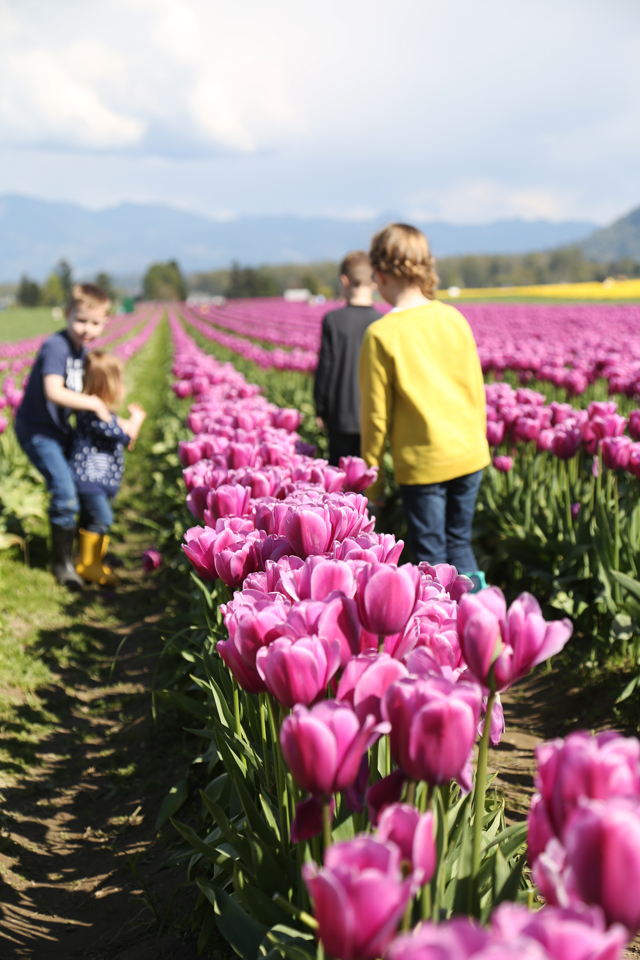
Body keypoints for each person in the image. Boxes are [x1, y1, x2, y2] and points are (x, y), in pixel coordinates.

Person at [359, 223, 489, 583]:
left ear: (380, 274)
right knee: (460, 546)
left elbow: (374, 417)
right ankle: (484, 626)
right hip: (469, 454)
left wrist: (373, 482)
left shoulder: (382, 333)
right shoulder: (453, 318)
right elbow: (476, 390)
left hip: (424, 463)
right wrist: (478, 443)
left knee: (432, 559)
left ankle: (446, 632)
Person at [15, 283, 113, 586]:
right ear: (67, 314)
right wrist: (94, 403)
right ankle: (62, 563)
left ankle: (89, 556)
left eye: (95, 323)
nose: (87, 329)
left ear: (105, 323)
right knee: (65, 492)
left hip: (60, 431)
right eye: (81, 320)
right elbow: (54, 391)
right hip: (38, 432)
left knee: (85, 483)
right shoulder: (56, 347)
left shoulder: (80, 351)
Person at [70, 350, 147, 586]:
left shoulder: (102, 413)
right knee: (102, 517)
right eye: (120, 382)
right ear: (108, 386)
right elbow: (123, 434)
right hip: (90, 480)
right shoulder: (92, 414)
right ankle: (89, 566)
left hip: (97, 481)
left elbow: (118, 427)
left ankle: (91, 559)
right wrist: (137, 420)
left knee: (90, 520)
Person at [313, 251, 382, 466]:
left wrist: (320, 407)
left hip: (340, 415)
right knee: (367, 476)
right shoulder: (382, 322)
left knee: (340, 480)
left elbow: (326, 366)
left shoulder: (333, 320)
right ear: (375, 282)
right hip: (373, 415)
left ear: (344, 280)